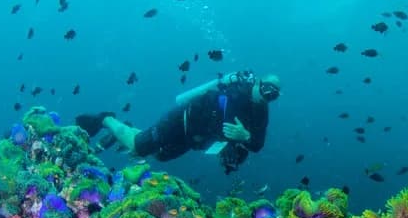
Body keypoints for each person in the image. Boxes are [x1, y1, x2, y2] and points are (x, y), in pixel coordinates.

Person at [76, 71, 280, 174]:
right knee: (139, 146)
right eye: (266, 88)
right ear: (258, 83)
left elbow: (257, 144)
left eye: (273, 94)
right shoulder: (238, 92)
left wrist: (245, 137)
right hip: (182, 119)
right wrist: (238, 139)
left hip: (196, 137)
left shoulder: (262, 111)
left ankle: (125, 130)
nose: (267, 96)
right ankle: (105, 119)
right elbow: (222, 117)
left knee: (159, 156)